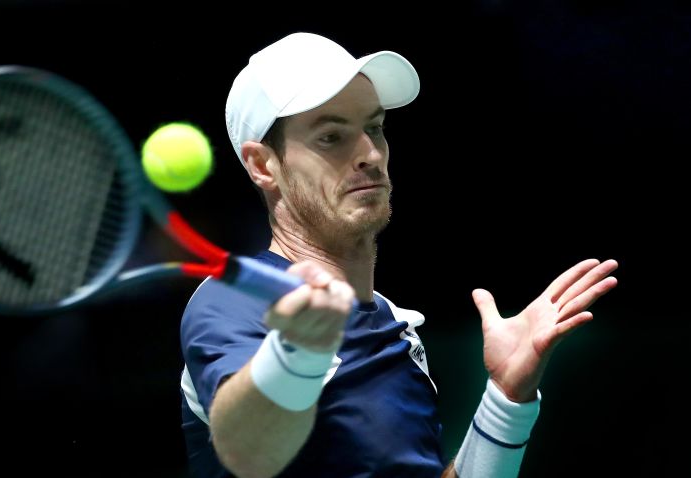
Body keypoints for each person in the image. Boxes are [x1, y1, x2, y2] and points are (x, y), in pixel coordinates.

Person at [179, 32, 618, 478]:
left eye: (374, 127)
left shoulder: (396, 327)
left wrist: (505, 400)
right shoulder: (235, 300)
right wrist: (299, 353)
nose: (370, 154)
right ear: (262, 165)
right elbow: (248, 456)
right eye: (331, 136)